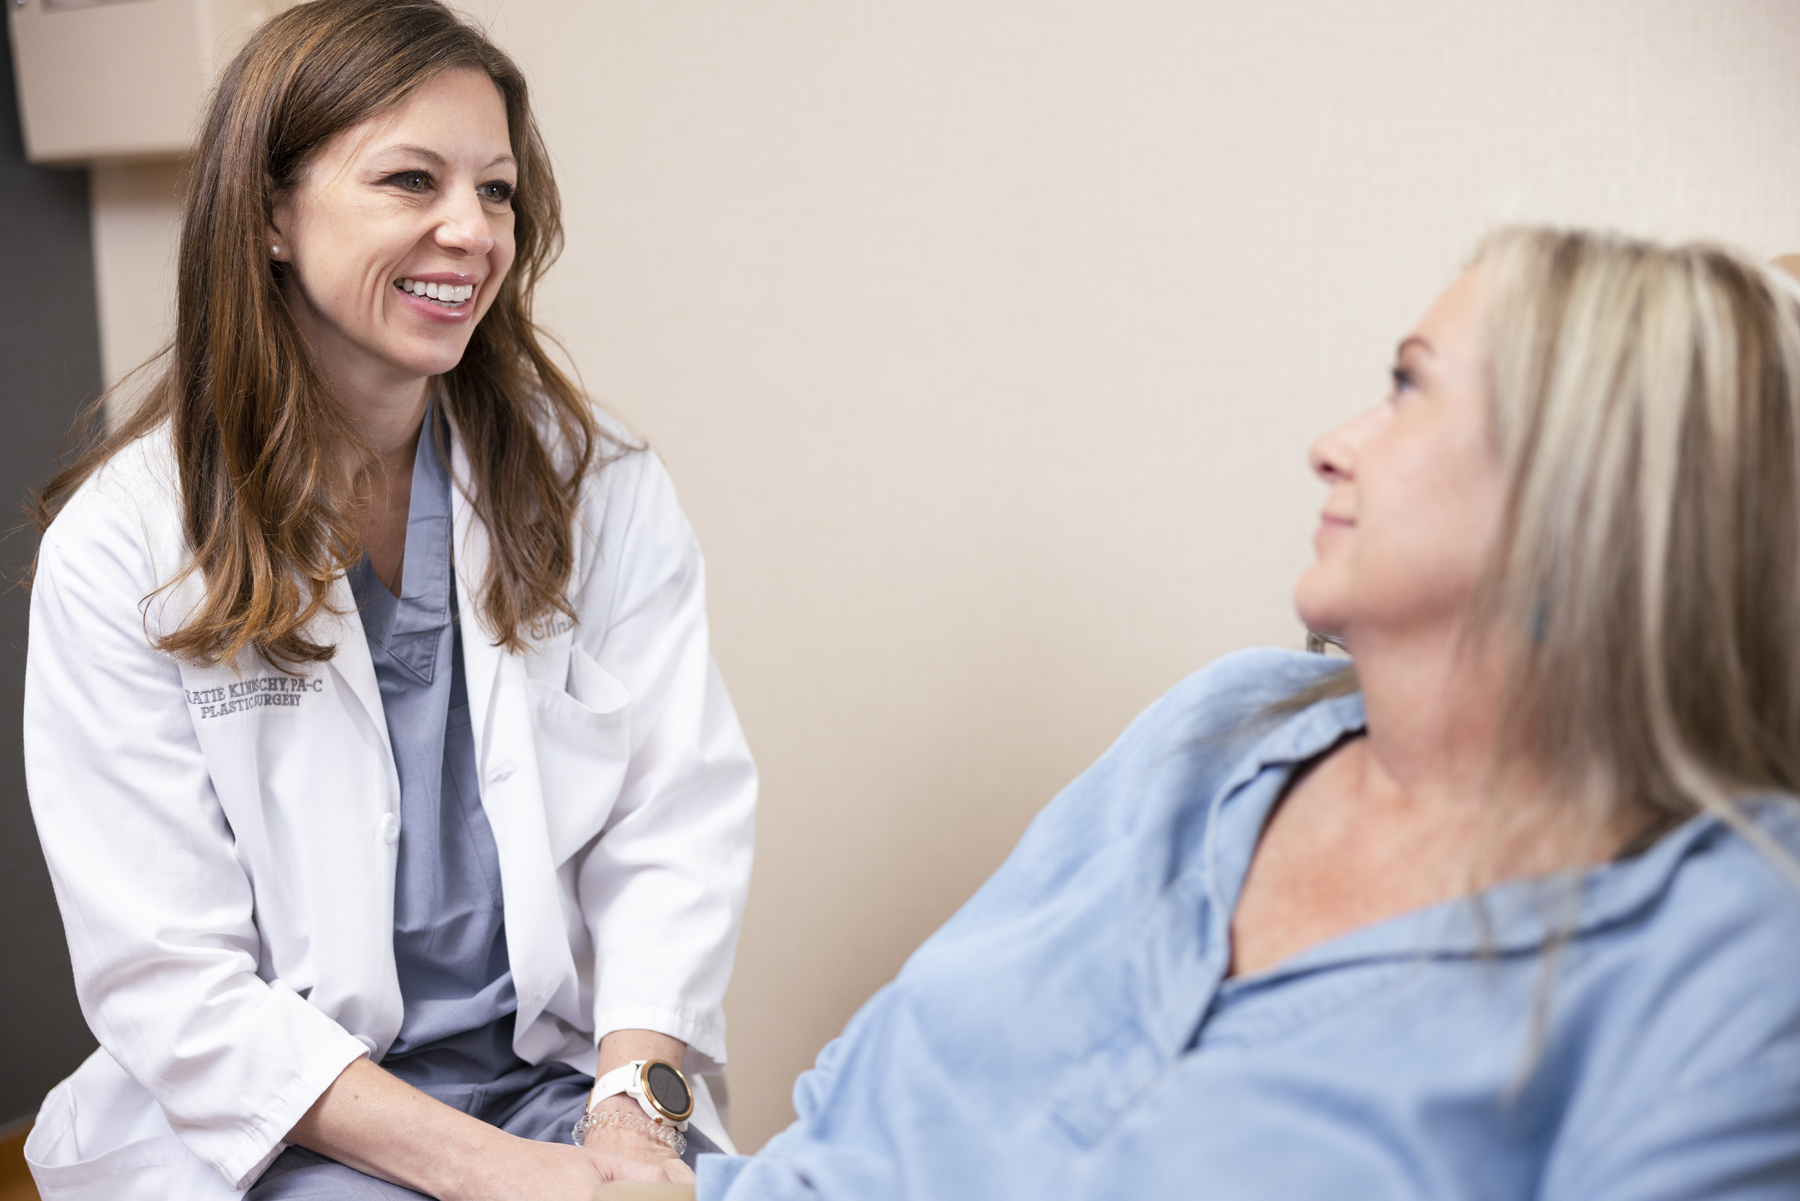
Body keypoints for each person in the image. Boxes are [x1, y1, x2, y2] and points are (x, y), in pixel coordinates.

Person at [689, 229, 1800, 1200]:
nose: (1334, 443)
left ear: (1591, 491)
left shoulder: (1736, 940)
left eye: (1412, 389)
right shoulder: (1218, 726)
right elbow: (845, 1121)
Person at [22, 2, 755, 1198]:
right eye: (411, 180)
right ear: (270, 211)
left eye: (499, 190)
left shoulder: (595, 486)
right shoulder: (130, 547)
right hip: (289, 1124)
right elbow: (172, 979)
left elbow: (674, 828)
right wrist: (501, 1177)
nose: (470, 230)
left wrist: (630, 1127)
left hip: (560, 1085)